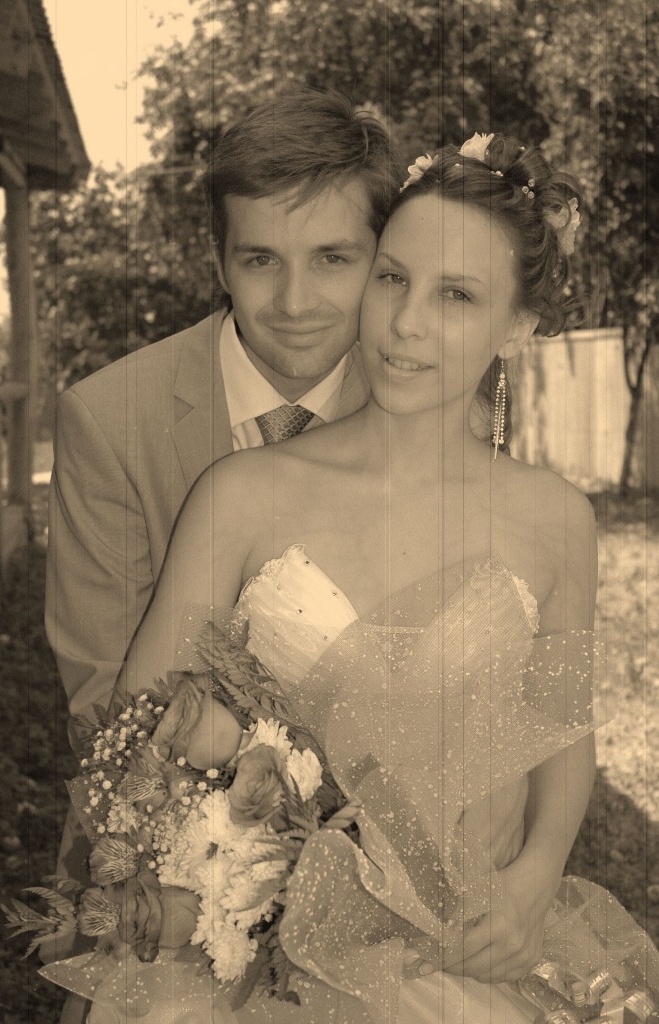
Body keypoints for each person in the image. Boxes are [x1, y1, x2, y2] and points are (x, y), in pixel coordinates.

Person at [67, 130, 642, 1023]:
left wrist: (534, 881)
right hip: (254, 973)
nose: (406, 322)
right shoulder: (239, 494)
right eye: (392, 277)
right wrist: (239, 868)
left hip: (465, 951)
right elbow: (144, 726)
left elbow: (564, 732)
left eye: (456, 294)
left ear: (518, 327)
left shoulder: (556, 518)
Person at [45, 88, 399, 1024]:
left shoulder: (433, 410)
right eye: (260, 259)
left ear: (382, 259)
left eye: (334, 259)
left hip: (386, 874)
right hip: (165, 865)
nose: (295, 302)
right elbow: (108, 707)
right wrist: (250, 865)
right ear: (218, 260)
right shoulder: (109, 420)